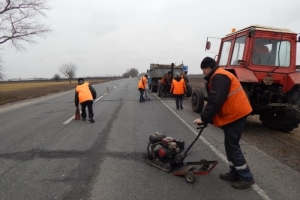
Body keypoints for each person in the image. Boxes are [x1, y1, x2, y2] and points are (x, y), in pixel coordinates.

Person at [193, 57, 255, 189]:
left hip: (236, 114)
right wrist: (208, 119)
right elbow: (217, 101)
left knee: (232, 145)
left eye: (203, 70)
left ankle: (246, 177)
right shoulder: (219, 75)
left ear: (207, 68)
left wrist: (203, 118)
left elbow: (215, 101)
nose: (203, 73)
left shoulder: (219, 76)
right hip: (233, 114)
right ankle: (234, 172)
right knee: (229, 145)